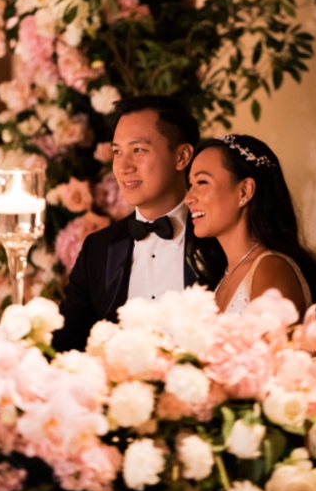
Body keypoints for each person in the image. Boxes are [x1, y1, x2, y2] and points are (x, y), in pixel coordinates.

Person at [55, 96, 218, 352]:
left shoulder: (218, 239)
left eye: (138, 150)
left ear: (182, 156)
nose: (123, 166)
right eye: (117, 152)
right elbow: (67, 345)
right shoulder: (98, 249)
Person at [184, 134, 316, 351]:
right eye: (190, 184)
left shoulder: (269, 269)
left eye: (202, 182)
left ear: (244, 191)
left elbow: (274, 373)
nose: (188, 198)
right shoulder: (223, 275)